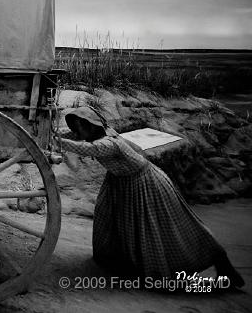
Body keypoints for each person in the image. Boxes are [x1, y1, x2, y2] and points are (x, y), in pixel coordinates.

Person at [59, 106, 244, 289]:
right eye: (75, 128)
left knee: (173, 228)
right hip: (122, 183)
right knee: (117, 222)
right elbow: (75, 138)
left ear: (91, 126)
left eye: (79, 127)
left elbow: (85, 149)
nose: (76, 131)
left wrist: (57, 140)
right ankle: (126, 262)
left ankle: (220, 261)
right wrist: (54, 134)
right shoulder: (99, 133)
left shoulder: (109, 143)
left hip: (147, 184)